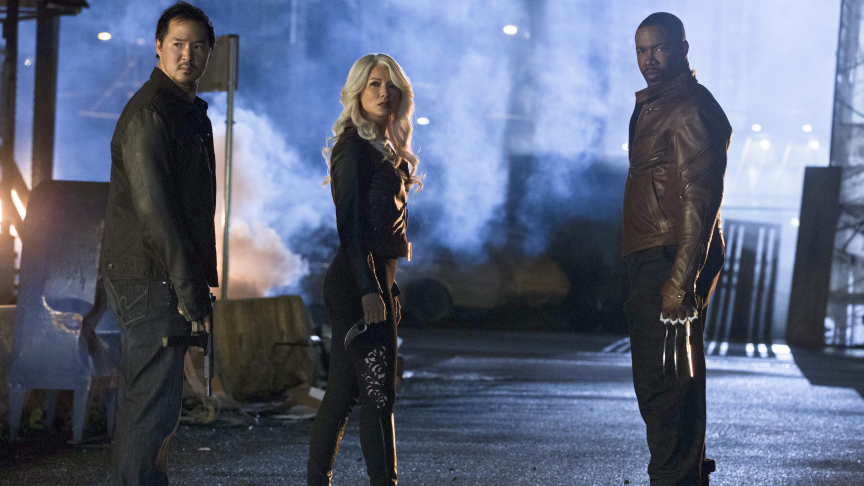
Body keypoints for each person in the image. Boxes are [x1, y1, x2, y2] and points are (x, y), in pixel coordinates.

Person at [100, 2, 217, 484]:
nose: (187, 55)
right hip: (150, 277)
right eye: (177, 44)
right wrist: (192, 291)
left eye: (197, 46)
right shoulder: (152, 112)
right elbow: (156, 214)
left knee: (156, 409)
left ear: (209, 52)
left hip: (156, 275)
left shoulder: (181, 111)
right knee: (151, 408)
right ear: (158, 47)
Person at [622, 12, 732, 486]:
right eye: (641, 50)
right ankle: (685, 476)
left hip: (670, 259)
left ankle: (677, 480)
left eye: (660, 48)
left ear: (683, 49)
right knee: (663, 385)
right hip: (654, 256)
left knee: (667, 388)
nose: (649, 59)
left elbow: (700, 202)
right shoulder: (655, 106)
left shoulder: (690, 108)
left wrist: (679, 282)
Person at [307, 53, 422, 486]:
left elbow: (382, 229)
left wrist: (388, 287)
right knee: (378, 396)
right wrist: (371, 288)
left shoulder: (383, 148)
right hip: (358, 283)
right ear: (358, 91)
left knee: (342, 394)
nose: (383, 92)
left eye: (390, 85)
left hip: (372, 280)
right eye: (374, 83)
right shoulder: (353, 147)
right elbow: (350, 227)